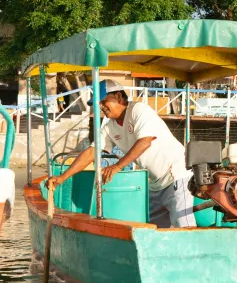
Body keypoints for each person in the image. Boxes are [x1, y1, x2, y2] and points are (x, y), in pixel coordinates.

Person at [46, 80, 196, 229]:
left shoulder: (139, 110)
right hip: (155, 184)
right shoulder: (109, 127)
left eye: (104, 101)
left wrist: (117, 166)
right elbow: (92, 152)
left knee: (184, 226)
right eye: (99, 103)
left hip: (177, 174)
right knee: (152, 230)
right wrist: (62, 177)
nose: (101, 107)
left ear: (118, 96)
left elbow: (145, 141)